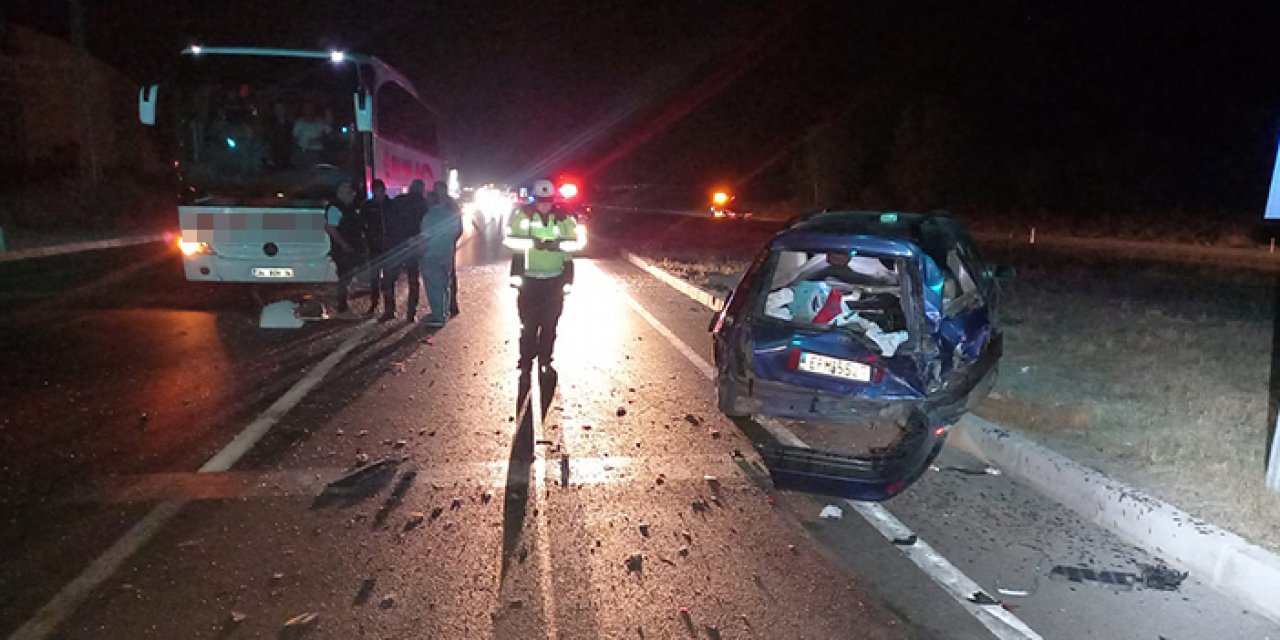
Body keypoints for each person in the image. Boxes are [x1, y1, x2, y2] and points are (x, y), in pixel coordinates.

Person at [504, 178, 581, 372]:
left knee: (550, 323)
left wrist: (556, 245)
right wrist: (533, 243)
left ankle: (545, 358)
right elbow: (510, 241)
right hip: (529, 279)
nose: (544, 204)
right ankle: (526, 358)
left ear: (553, 200)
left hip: (555, 279)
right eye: (540, 200)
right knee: (528, 324)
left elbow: (576, 244)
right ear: (534, 199)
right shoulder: (522, 216)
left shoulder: (564, 218)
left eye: (547, 200)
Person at [417, 181, 464, 327]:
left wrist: (419, 250)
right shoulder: (452, 212)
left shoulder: (429, 217)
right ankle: (443, 311)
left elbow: (424, 238)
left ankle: (439, 316)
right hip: (447, 252)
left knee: (434, 286)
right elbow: (457, 230)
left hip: (432, 254)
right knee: (444, 283)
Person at [383, 179, 430, 321]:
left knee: (389, 279)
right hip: (413, 246)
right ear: (421, 190)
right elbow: (425, 225)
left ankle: (389, 310)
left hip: (396, 245)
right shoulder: (423, 204)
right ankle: (411, 313)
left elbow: (388, 219)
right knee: (413, 280)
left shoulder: (398, 200)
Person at [324, 182, 363, 316]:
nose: (352, 196)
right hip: (342, 248)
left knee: (348, 274)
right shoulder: (335, 209)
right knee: (344, 275)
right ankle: (342, 305)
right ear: (341, 194)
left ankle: (343, 303)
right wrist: (343, 244)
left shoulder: (349, 208)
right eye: (349, 193)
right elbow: (331, 229)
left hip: (350, 246)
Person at [360, 179, 394, 318]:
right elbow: (362, 224)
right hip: (374, 247)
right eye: (376, 191)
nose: (378, 193)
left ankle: (390, 308)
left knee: (388, 278)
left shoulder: (391, 205)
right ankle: (374, 304)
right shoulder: (367, 206)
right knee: (374, 278)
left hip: (389, 247)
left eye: (380, 190)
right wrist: (368, 238)